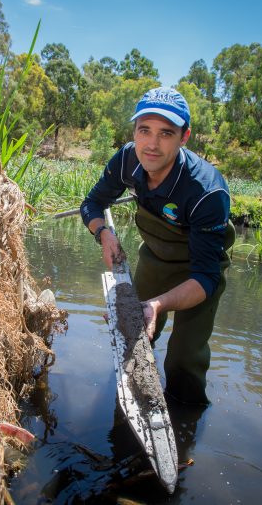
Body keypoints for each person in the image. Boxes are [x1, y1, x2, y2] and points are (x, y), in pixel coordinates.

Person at [80, 87, 235, 405]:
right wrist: (104, 234)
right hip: (155, 255)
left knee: (184, 359)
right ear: (134, 131)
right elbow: (93, 203)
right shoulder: (126, 160)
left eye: (166, 133)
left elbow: (206, 277)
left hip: (199, 269)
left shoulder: (207, 192)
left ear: (184, 137)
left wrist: (159, 304)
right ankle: (129, 401)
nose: (151, 144)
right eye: (144, 130)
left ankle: (185, 425)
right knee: (134, 335)